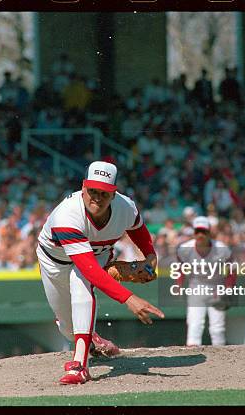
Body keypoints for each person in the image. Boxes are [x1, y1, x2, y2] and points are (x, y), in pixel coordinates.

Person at [36, 161, 165, 385]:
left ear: (114, 194)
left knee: (81, 281)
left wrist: (150, 255)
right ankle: (91, 339)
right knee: (69, 328)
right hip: (54, 262)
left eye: (103, 193)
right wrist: (129, 298)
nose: (96, 197)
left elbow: (139, 231)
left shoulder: (126, 207)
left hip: (97, 256)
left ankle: (79, 366)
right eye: (92, 191)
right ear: (83, 188)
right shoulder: (67, 215)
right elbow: (89, 268)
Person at [176, 217, 233, 346]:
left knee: (217, 328)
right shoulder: (185, 248)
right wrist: (179, 285)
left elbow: (232, 270)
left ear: (209, 233)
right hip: (196, 287)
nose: (201, 235)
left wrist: (229, 288)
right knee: (194, 325)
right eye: (198, 231)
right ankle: (193, 359)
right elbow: (179, 267)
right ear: (194, 233)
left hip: (216, 287)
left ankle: (223, 361)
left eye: (204, 232)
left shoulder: (222, 249)